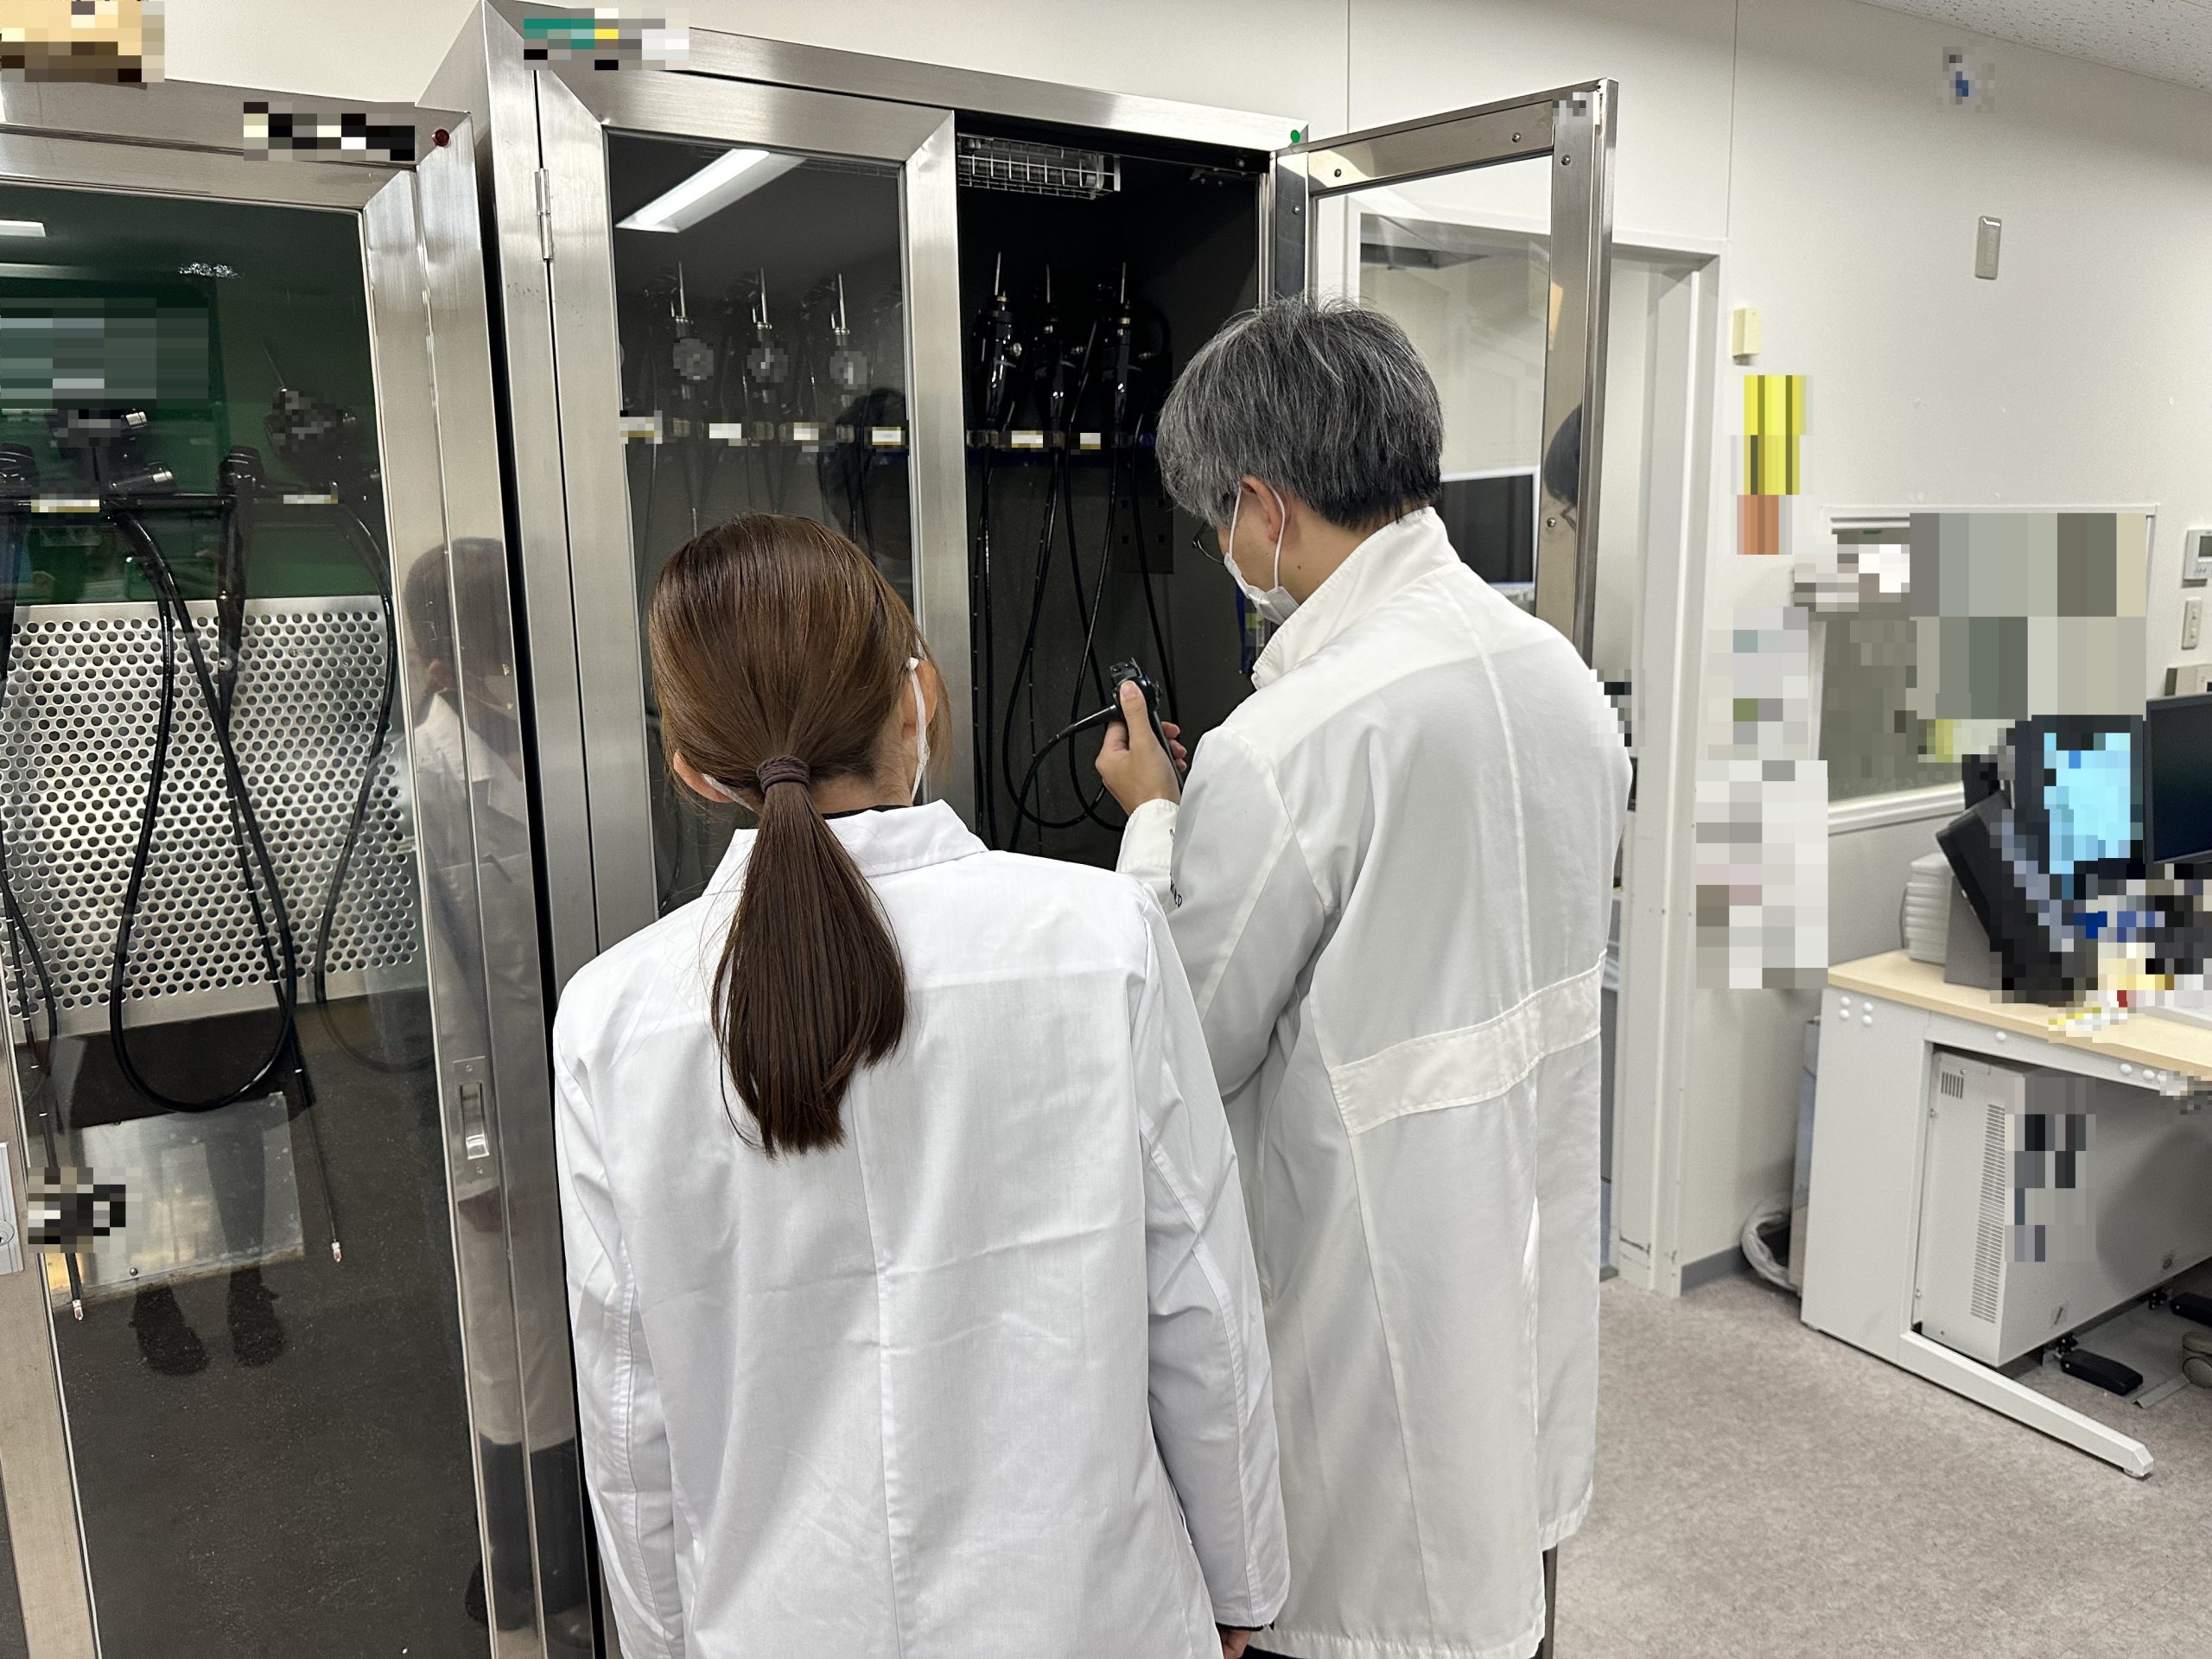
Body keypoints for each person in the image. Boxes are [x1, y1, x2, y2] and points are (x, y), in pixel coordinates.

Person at [551, 514, 1287, 1658]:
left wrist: (660, 1644)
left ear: (692, 770)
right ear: (917, 702)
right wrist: (1241, 1580)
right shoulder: (1102, 941)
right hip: (1091, 1617)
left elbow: (627, 1402)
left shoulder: (611, 1021)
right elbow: (1198, 1300)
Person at [1096, 297, 1630, 1659]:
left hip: (1368, 1296)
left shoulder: (1293, 742)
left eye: (1218, 521)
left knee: (1385, 1591)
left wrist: (1155, 822)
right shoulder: (1560, 680)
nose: (1226, 552)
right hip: (1519, 1259)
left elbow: (1184, 1040)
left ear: (1263, 507)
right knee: (1505, 1559)